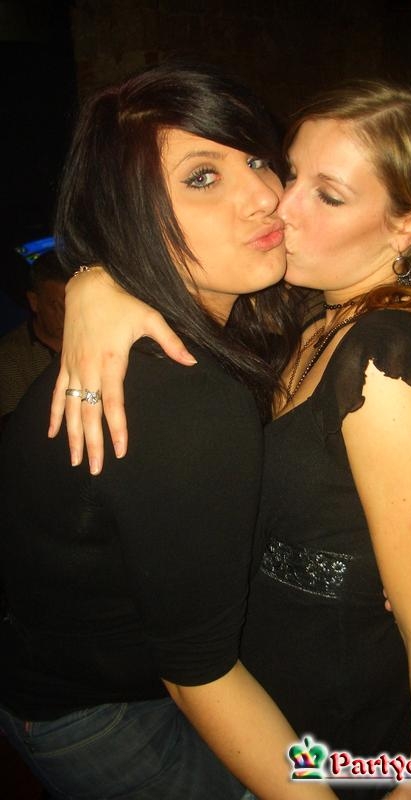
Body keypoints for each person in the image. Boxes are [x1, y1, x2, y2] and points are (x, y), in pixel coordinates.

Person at [49, 77, 411, 800]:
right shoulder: (307, 311)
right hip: (269, 699)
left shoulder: (391, 362)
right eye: (289, 172)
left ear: (410, 225)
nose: (277, 205)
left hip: (338, 726)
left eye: (330, 196)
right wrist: (95, 283)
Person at [0, 62, 351, 800]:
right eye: (202, 177)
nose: (265, 194)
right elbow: (201, 675)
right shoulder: (181, 397)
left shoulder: (230, 324)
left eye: (257, 160)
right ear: (130, 214)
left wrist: (96, 275)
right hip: (104, 714)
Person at [0, 249, 66, 431]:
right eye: (56, 306)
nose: (66, 316)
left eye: (71, 304)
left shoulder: (92, 337)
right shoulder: (10, 356)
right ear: (34, 302)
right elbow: (14, 429)